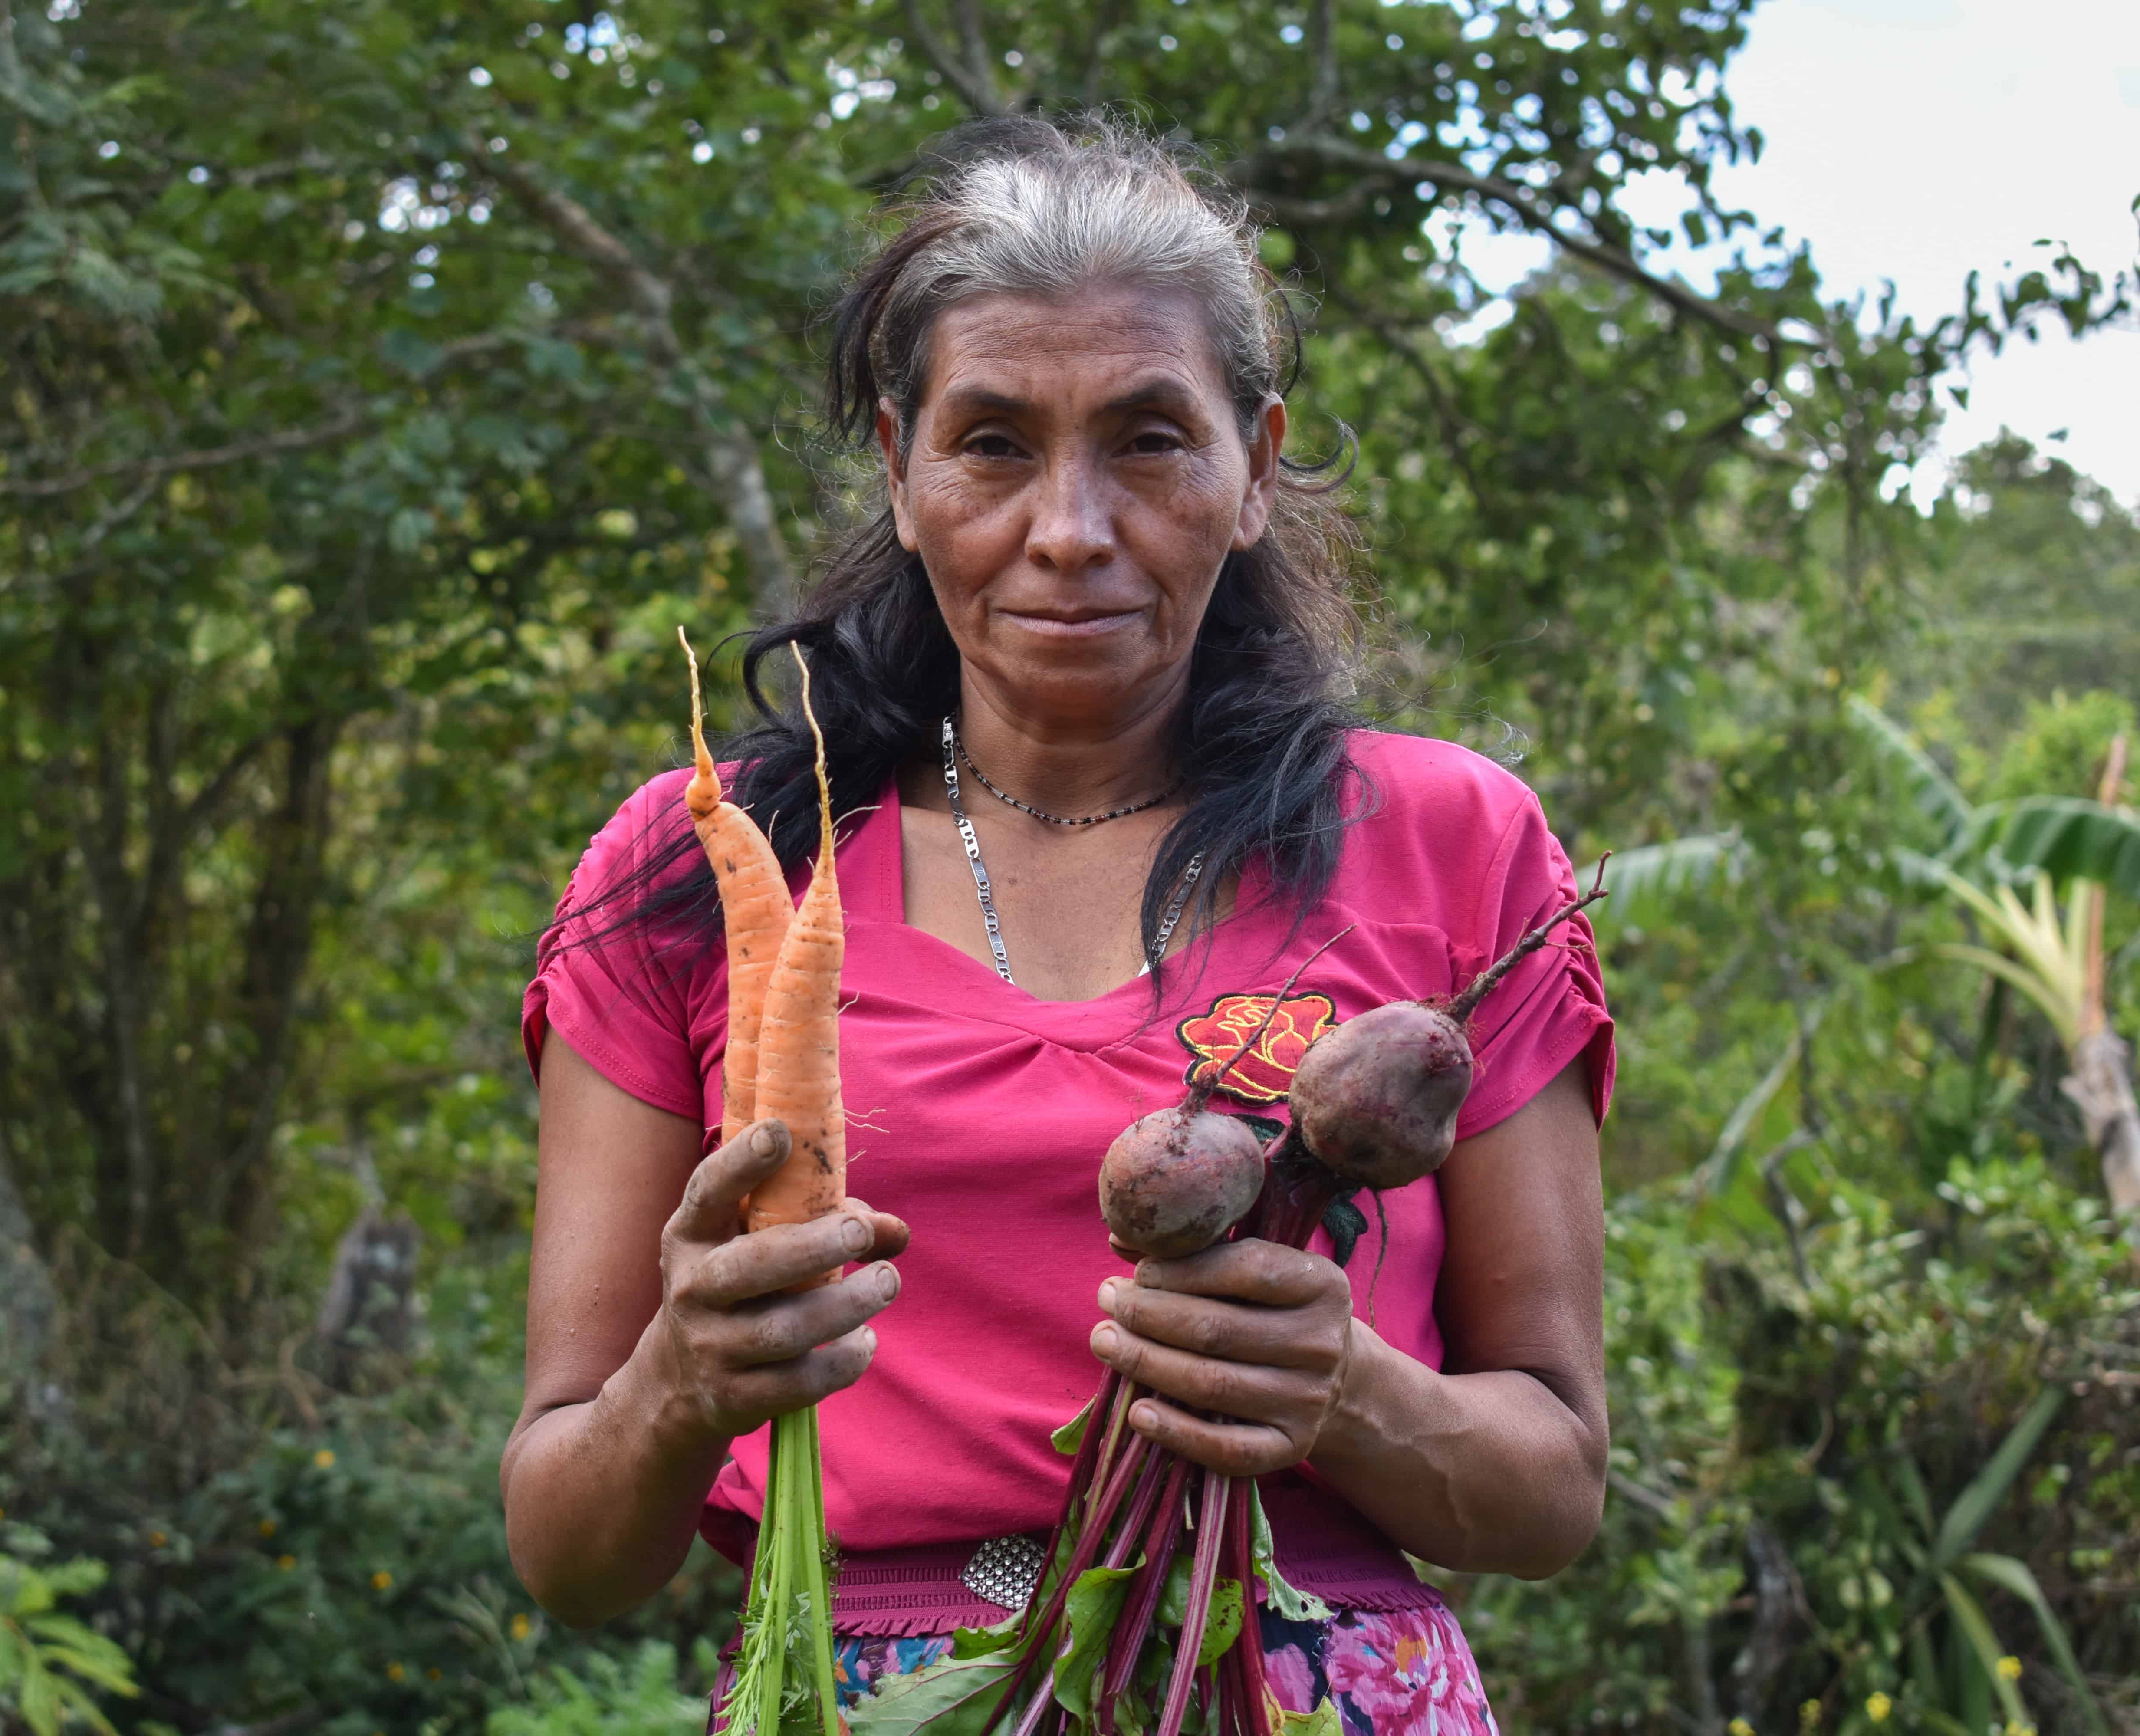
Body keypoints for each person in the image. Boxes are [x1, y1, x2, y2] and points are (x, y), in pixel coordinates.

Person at [505, 117, 1611, 1734]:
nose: (1072, 529)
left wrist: (1347, 1392)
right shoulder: (694, 870)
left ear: (1254, 466)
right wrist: (679, 1386)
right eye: (995, 443)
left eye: (1152, 439)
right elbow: (568, 1553)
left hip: (1312, 1695)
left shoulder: (1449, 842)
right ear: (899, 468)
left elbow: (1554, 1493)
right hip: (857, 1695)